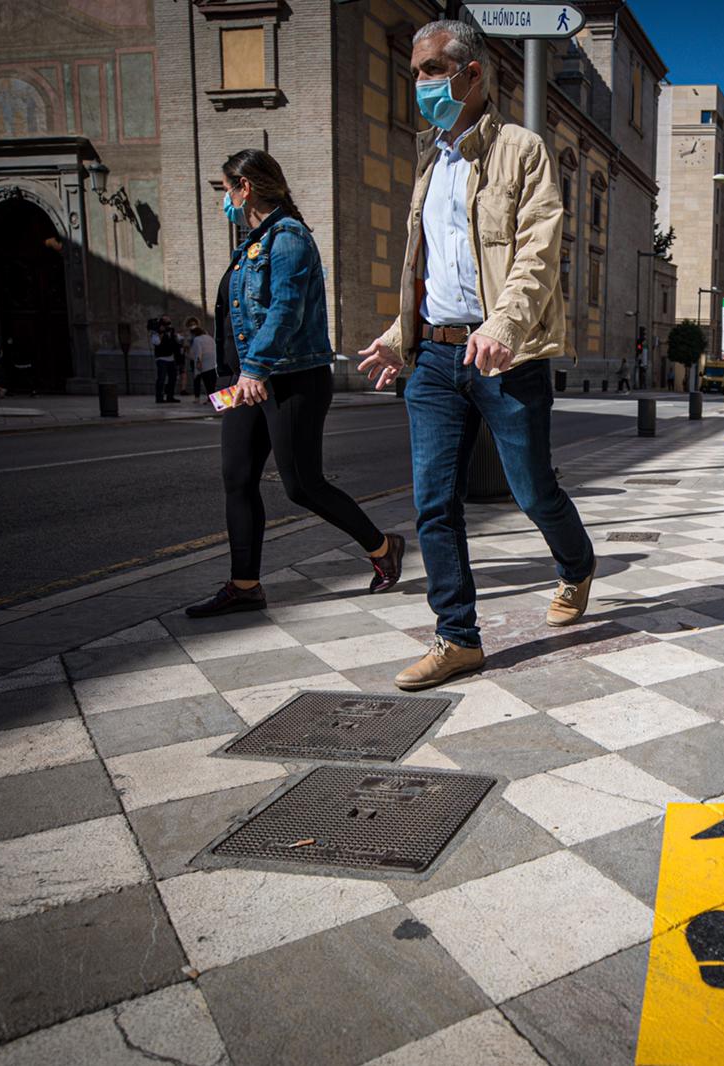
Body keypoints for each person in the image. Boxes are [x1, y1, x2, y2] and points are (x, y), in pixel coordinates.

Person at [358, 19, 595, 691]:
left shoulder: (523, 151)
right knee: (433, 502)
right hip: (434, 360)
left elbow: (537, 255)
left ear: (472, 73)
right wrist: (399, 334)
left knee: (532, 490)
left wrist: (503, 327)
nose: (421, 84)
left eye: (431, 69)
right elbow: (425, 266)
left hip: (505, 356)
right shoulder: (428, 158)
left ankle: (577, 565)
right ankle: (457, 638)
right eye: (416, 72)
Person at [185, 149, 405, 618]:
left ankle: (383, 546)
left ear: (245, 188)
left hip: (287, 378)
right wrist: (236, 376)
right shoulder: (250, 244)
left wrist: (254, 370)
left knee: (302, 485)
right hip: (244, 380)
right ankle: (244, 585)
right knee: (237, 479)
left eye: (226, 189)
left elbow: (285, 311)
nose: (224, 199)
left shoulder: (288, 239)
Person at [187, 317, 218, 403]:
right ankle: (211, 399)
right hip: (213, 363)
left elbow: (198, 353)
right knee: (212, 383)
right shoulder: (209, 337)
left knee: (200, 381)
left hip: (204, 364)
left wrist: (198, 363)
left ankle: (197, 398)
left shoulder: (197, 339)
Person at [151, 317, 181, 403]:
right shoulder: (156, 333)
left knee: (173, 378)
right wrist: (161, 333)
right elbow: (156, 342)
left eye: (169, 323)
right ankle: (159, 397)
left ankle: (170, 396)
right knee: (161, 378)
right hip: (161, 359)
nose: (168, 325)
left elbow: (177, 341)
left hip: (171, 358)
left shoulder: (171, 332)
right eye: (166, 324)